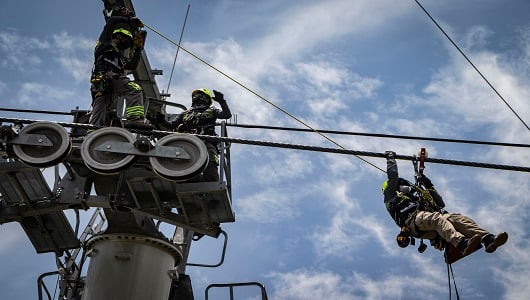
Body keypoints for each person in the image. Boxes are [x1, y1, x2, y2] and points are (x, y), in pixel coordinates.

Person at [381, 150, 508, 256]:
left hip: (428, 225)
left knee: (457, 218)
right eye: (402, 185)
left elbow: (440, 204)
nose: (406, 187)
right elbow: (393, 178)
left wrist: (427, 183)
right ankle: (462, 244)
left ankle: (488, 239)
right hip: (414, 223)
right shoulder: (390, 196)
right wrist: (390, 159)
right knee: (436, 218)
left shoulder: (415, 199)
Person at [88, 12, 151, 129]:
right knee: (134, 88)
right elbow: (112, 21)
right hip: (105, 77)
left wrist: (138, 50)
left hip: (105, 83)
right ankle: (134, 119)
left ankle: (92, 134)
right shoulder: (104, 43)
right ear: (118, 36)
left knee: (100, 110)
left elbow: (131, 65)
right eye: (125, 40)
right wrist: (128, 20)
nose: (125, 44)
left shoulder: (119, 57)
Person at [171, 88, 232, 181]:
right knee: (187, 163)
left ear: (205, 98)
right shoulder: (185, 113)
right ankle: (188, 180)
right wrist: (160, 120)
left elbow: (226, 115)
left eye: (198, 95)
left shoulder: (211, 110)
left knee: (211, 163)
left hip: (208, 142)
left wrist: (222, 102)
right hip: (190, 143)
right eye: (194, 95)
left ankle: (210, 183)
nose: (195, 97)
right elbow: (172, 124)